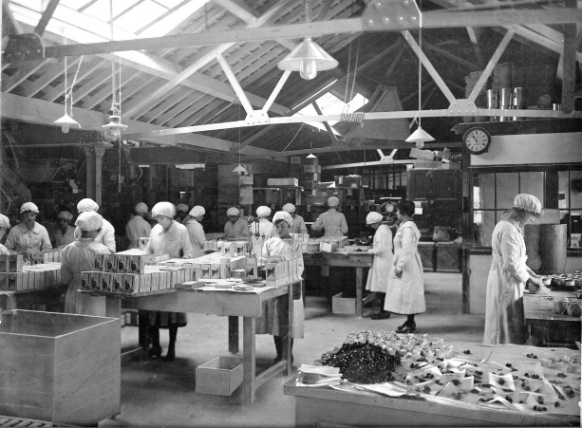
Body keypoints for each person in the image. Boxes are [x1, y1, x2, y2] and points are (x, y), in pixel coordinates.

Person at [483, 194, 549, 345]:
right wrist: (529, 280)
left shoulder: (510, 227)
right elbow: (511, 264)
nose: (531, 219)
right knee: (503, 323)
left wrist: (532, 274)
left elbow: (518, 260)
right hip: (505, 282)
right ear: (523, 211)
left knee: (508, 322)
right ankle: (502, 355)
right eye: (531, 215)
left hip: (508, 279)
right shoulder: (508, 230)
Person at [146, 202, 195, 361]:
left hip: (173, 277)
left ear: (169, 216)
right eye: (157, 218)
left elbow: (188, 253)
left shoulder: (181, 229)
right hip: (156, 277)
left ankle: (172, 349)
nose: (159, 221)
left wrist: (179, 263)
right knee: (154, 313)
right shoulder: (155, 230)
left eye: (162, 217)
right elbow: (149, 251)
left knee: (172, 314)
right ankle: (156, 345)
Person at [257, 211, 304, 364]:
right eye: (277, 226)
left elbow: (299, 266)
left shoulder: (295, 244)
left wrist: (285, 269)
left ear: (289, 226)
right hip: (273, 285)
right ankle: (279, 354)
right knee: (276, 322)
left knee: (288, 321)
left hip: (289, 286)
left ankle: (288, 355)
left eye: (283, 226)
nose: (279, 229)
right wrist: (268, 265)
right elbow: (261, 261)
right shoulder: (269, 243)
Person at [383, 200, 425, 333]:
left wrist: (399, 267)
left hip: (407, 264)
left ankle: (411, 323)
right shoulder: (406, 225)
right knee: (407, 293)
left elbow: (406, 250)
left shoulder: (407, 228)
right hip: (407, 261)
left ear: (403, 212)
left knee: (408, 293)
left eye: (397, 211)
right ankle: (409, 321)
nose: (396, 213)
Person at [62, 211, 110, 316]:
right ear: (94, 230)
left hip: (74, 291)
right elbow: (107, 276)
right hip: (94, 293)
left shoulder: (68, 249)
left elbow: (65, 278)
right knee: (92, 326)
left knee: (73, 327)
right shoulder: (100, 250)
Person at [365, 211, 393, 320]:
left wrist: (370, 250)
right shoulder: (385, 228)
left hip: (383, 260)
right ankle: (384, 310)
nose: (371, 227)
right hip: (386, 259)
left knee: (382, 287)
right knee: (384, 287)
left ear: (375, 223)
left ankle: (384, 312)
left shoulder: (381, 231)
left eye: (371, 225)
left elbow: (380, 249)